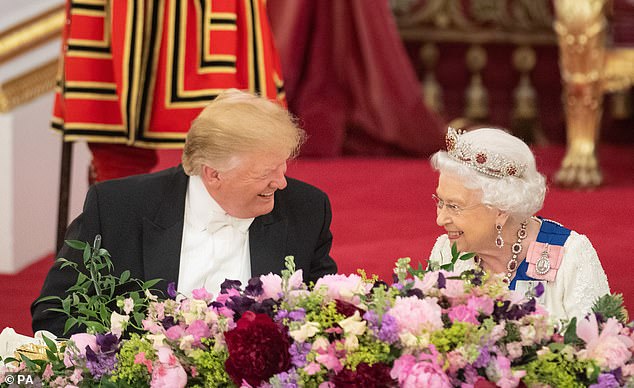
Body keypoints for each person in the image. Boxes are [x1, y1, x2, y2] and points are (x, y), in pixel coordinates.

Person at [33, 89, 337, 336]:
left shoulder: (306, 209)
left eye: (283, 166)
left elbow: (326, 316)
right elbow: (55, 312)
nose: (281, 182)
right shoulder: (117, 208)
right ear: (213, 174)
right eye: (266, 173)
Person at [428, 127, 610, 321]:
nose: (440, 219)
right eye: (440, 202)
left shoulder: (571, 256)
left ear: (500, 210)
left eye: (454, 206)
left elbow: (597, 345)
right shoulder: (446, 251)